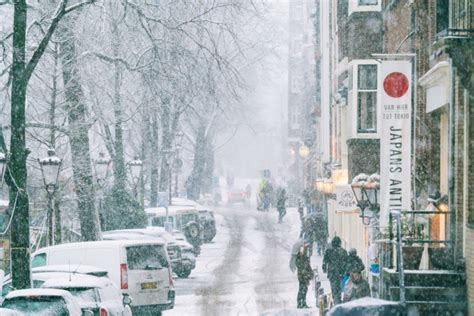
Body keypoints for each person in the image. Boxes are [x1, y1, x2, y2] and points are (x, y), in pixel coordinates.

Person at [323, 236, 348, 305]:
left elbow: (325, 261)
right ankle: (338, 301)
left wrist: (324, 269)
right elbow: (346, 262)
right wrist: (345, 270)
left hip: (332, 273)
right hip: (340, 273)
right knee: (339, 288)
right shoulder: (343, 251)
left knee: (334, 288)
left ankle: (336, 301)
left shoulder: (328, 251)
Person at [295, 242, 314, 308]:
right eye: (306, 249)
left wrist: (311, 273)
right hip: (302, 277)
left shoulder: (304, 257)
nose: (307, 251)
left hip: (304, 276)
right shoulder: (300, 257)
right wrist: (307, 275)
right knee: (302, 289)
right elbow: (302, 268)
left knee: (304, 289)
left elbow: (308, 266)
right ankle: (300, 303)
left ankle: (302, 303)